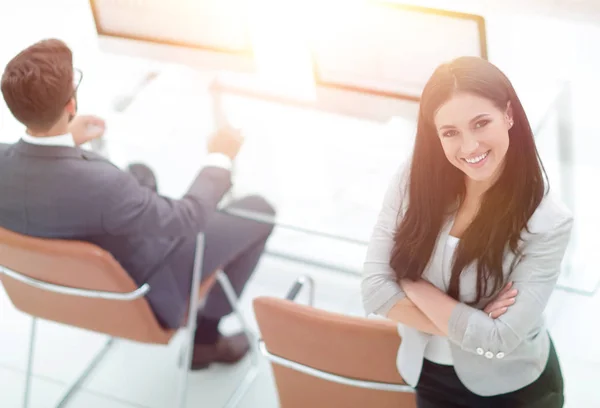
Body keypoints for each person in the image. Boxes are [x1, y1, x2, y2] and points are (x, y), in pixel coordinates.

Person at [0, 39, 276, 370]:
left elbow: (42, 183)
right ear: (71, 104)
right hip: (146, 291)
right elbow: (188, 218)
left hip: (45, 292)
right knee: (259, 210)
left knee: (140, 174)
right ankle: (206, 339)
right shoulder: (103, 185)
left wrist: (64, 138)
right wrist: (219, 156)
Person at [361, 56, 573, 407]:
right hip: (428, 375)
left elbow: (499, 343)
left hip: (514, 388)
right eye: (450, 133)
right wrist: (475, 325)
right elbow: (374, 290)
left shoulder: (547, 221)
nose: (470, 146)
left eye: (481, 123)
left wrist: (411, 284)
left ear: (508, 115)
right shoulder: (412, 180)